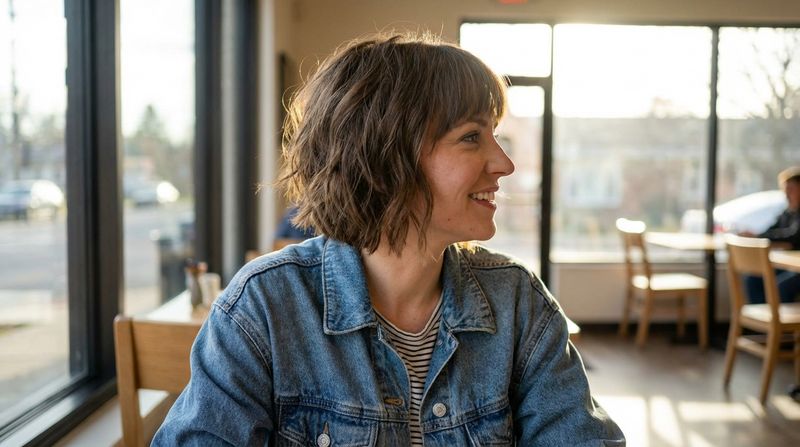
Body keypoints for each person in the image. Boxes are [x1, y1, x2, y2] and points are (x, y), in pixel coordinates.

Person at [154, 34, 624, 446]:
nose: (503, 163)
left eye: (494, 135)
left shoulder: (518, 303)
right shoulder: (264, 309)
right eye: (471, 137)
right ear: (385, 157)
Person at [741, 166, 800, 304]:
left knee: (781, 286)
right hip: (790, 266)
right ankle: (764, 322)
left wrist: (759, 237)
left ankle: (780, 324)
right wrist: (756, 236)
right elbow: (771, 231)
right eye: (785, 190)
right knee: (752, 278)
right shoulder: (788, 212)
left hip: (797, 269)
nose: (787, 194)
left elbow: (793, 236)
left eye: (791, 189)